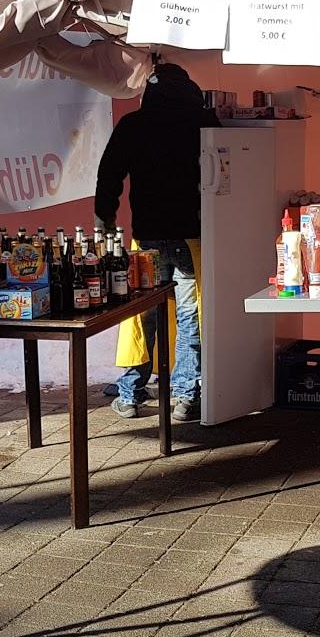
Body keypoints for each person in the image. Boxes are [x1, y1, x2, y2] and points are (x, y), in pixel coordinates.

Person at [95, 62, 219, 423]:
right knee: (191, 315)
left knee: (138, 314)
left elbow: (109, 178)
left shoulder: (133, 125)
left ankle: (131, 394)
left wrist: (105, 228)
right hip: (191, 235)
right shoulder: (203, 122)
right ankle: (185, 397)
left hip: (145, 238)